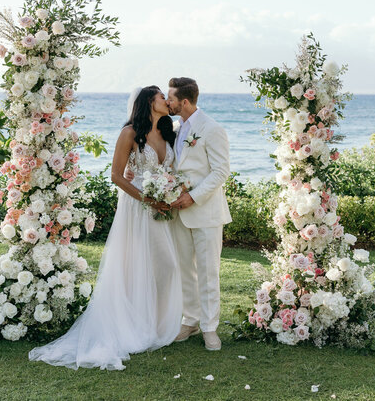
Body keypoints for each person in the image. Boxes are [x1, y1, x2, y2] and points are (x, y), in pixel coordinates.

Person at [28, 86, 182, 370]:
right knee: (134, 267)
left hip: (161, 209)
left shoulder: (167, 129)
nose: (166, 100)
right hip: (137, 208)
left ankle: (155, 325)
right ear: (149, 101)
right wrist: (147, 198)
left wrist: (168, 193)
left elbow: (168, 171)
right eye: (162, 96)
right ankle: (133, 327)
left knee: (166, 266)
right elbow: (116, 175)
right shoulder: (129, 133)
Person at [166, 77, 232, 351]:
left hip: (205, 211)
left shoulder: (211, 128)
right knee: (185, 271)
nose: (166, 102)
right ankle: (190, 319)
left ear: (184, 101)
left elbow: (220, 171)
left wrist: (192, 197)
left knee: (207, 272)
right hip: (178, 213)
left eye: (170, 98)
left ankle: (210, 328)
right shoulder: (175, 128)